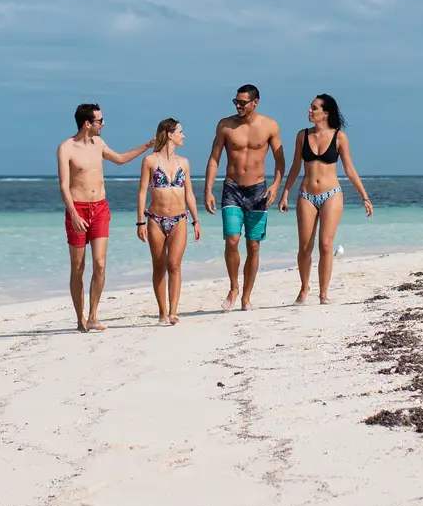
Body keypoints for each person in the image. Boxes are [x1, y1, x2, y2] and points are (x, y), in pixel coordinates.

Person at [56, 103, 154, 332]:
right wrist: (73, 214)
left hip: (100, 207)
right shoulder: (66, 148)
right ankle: (80, 318)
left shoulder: (98, 143)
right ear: (87, 123)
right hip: (77, 210)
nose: (104, 124)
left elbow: (120, 159)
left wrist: (147, 146)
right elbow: (63, 185)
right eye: (100, 121)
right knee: (78, 266)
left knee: (100, 263)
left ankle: (93, 315)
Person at [277, 94, 373, 304]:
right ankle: (304, 288)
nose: (309, 111)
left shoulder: (339, 137)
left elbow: (349, 169)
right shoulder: (302, 135)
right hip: (306, 195)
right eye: (310, 108)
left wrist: (364, 197)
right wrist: (285, 193)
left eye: (314, 108)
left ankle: (323, 293)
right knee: (304, 246)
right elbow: (295, 167)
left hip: (332, 194)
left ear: (325, 113)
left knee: (326, 245)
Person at [203, 83, 284, 312]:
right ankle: (233, 287)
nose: (238, 105)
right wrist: (208, 190)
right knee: (232, 240)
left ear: (255, 102)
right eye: (235, 102)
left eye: (242, 102)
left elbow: (280, 160)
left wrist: (276, 186)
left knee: (254, 245)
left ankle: (247, 296)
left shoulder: (269, 126)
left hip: (258, 191)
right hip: (232, 189)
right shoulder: (225, 125)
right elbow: (214, 159)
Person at [135, 118, 201, 325]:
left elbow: (189, 193)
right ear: (169, 134)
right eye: (180, 132)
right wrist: (140, 223)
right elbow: (142, 192)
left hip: (180, 218)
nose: (183, 135)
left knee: (174, 264)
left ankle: (173, 312)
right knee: (159, 266)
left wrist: (196, 220)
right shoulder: (150, 161)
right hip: (155, 219)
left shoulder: (184, 162)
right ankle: (162, 313)